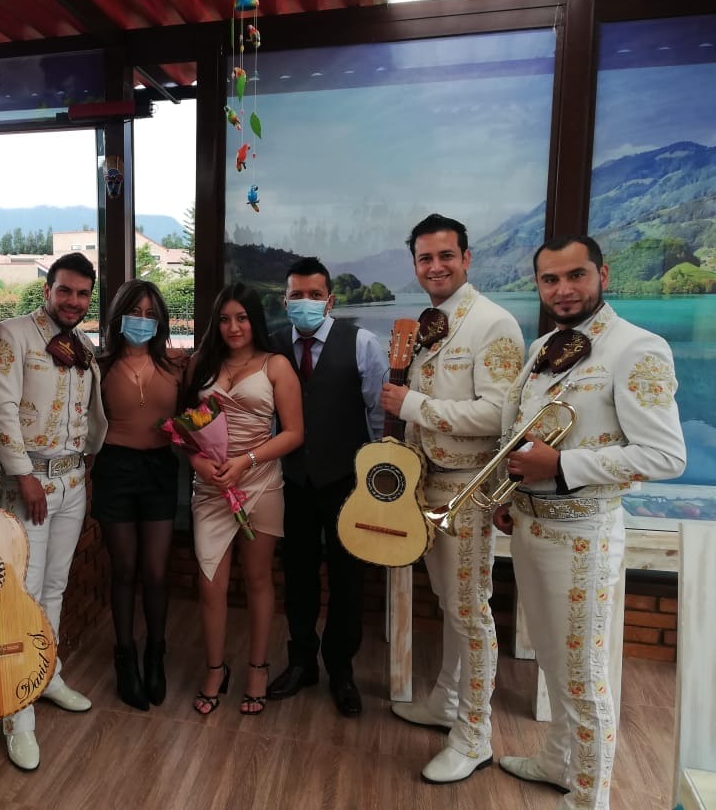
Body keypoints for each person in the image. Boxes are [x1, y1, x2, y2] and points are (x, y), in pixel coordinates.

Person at [493, 235, 685, 810]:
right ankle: (557, 763)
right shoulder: (544, 346)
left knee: (583, 676)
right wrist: (510, 488)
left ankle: (589, 800)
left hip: (583, 536)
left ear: (602, 273)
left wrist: (562, 466)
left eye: (575, 276)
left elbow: (666, 455)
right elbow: (524, 432)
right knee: (553, 662)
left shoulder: (636, 347)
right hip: (531, 525)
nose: (563, 289)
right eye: (550, 280)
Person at [379, 214, 524, 784]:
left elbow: (499, 414)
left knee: (471, 613)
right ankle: (444, 700)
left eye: (445, 256)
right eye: (424, 258)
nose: (434, 266)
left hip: (467, 488)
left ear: (467, 258)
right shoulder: (428, 323)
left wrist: (410, 405)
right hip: (426, 483)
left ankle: (475, 734)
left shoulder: (494, 323)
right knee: (448, 603)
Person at [0, 251, 108, 771]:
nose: (74, 301)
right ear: (47, 290)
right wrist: (22, 475)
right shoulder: (11, 335)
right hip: (26, 483)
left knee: (55, 588)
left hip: (73, 479)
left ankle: (47, 674)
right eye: (65, 291)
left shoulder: (82, 345)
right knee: (22, 595)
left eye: (83, 294)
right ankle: (17, 714)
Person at [265, 257, 387, 716]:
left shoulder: (363, 343)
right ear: (285, 300)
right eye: (296, 295)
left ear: (330, 300)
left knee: (347, 579)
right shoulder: (272, 346)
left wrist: (371, 478)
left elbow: (376, 413)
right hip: (290, 481)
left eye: (314, 295)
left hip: (346, 483)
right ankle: (301, 663)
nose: (305, 303)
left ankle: (341, 669)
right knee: (296, 576)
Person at [183, 282, 303, 717]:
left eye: (242, 318)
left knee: (257, 581)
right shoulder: (200, 363)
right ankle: (215, 669)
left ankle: (257, 667)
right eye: (225, 319)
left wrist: (247, 460)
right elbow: (184, 428)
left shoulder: (276, 366)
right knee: (209, 583)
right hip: (212, 487)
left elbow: (293, 433)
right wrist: (198, 462)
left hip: (261, 484)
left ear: (255, 320)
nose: (234, 327)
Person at [93, 279, 185, 711]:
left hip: (161, 470)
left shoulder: (176, 365)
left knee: (155, 571)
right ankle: (125, 655)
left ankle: (157, 653)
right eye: (136, 312)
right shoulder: (98, 365)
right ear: (118, 316)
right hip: (115, 468)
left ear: (161, 320)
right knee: (125, 568)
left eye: (151, 314)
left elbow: (197, 418)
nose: (143, 321)